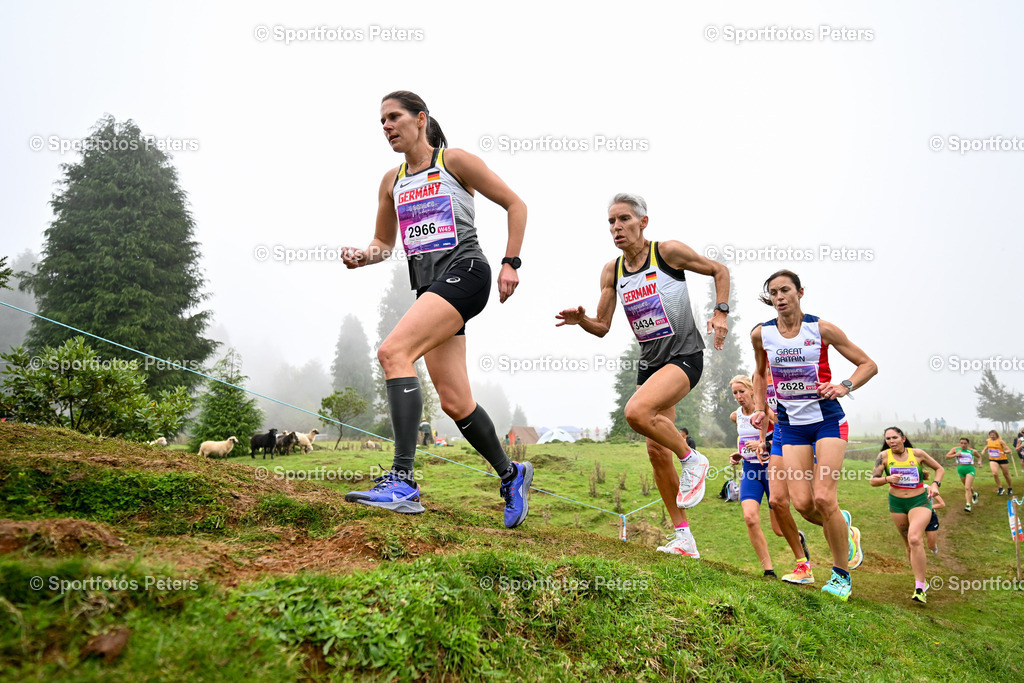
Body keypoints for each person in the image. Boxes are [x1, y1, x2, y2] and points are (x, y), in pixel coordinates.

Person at [341, 90, 532, 528]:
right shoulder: (391, 181)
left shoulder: (454, 162)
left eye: (394, 117)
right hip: (429, 287)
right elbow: (383, 245)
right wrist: (361, 256)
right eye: (382, 121)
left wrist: (511, 262)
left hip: (466, 272)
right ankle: (511, 474)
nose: (386, 126)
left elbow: (516, 204)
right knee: (454, 400)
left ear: (420, 119)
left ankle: (403, 481)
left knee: (393, 353)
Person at [556, 193, 730, 557]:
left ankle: (692, 458)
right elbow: (602, 326)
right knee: (654, 450)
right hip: (650, 362)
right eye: (611, 222)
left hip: (684, 355)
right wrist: (581, 321)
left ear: (643, 222)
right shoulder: (612, 271)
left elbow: (719, 270)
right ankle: (684, 539)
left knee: (635, 413)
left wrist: (721, 313)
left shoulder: (667, 253)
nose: (616, 228)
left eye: (623, 219)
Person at [750, 270, 877, 601]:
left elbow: (868, 364)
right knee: (804, 505)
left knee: (823, 497)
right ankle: (844, 527)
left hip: (827, 422)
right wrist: (762, 407)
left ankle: (841, 575)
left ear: (799, 293)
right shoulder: (761, 334)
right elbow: (761, 374)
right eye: (774, 292)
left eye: (785, 290)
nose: (779, 297)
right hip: (791, 426)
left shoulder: (821, 329)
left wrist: (844, 385)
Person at [727, 375, 812, 582]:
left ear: (753, 390)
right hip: (750, 471)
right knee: (750, 518)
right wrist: (740, 453)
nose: (738, 397)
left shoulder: (768, 411)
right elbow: (744, 438)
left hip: (772, 470)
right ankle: (768, 571)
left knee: (778, 529)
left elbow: (784, 431)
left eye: (742, 391)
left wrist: (763, 444)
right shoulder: (735, 416)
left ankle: (798, 538)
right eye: (735, 393)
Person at [869, 427, 945, 604]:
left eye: (894, 437)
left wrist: (935, 485)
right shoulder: (884, 457)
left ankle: (919, 587)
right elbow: (873, 480)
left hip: (919, 501)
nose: (891, 441)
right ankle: (920, 580)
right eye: (888, 438)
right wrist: (887, 479)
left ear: (903, 438)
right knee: (909, 545)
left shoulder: (917, 454)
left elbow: (939, 468)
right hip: (897, 504)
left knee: (915, 538)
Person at [945, 437, 980, 511]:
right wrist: (955, 455)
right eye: (961, 443)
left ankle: (968, 505)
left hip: (970, 469)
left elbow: (979, 457)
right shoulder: (955, 449)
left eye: (965, 443)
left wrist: (980, 462)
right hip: (960, 470)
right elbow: (947, 457)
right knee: (969, 487)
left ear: (968, 444)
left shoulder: (972, 451)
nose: (963, 445)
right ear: (959, 443)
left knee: (967, 488)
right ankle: (974, 494)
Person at [985, 430, 1014, 496]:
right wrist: (984, 450)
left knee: (1006, 474)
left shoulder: (1000, 441)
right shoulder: (988, 440)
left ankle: (1010, 488)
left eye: (993, 435)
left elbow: (1009, 450)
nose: (992, 436)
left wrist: (1004, 452)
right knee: (995, 473)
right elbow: (988, 446)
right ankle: (1000, 488)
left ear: (996, 435)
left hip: (1002, 459)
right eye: (991, 435)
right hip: (993, 459)